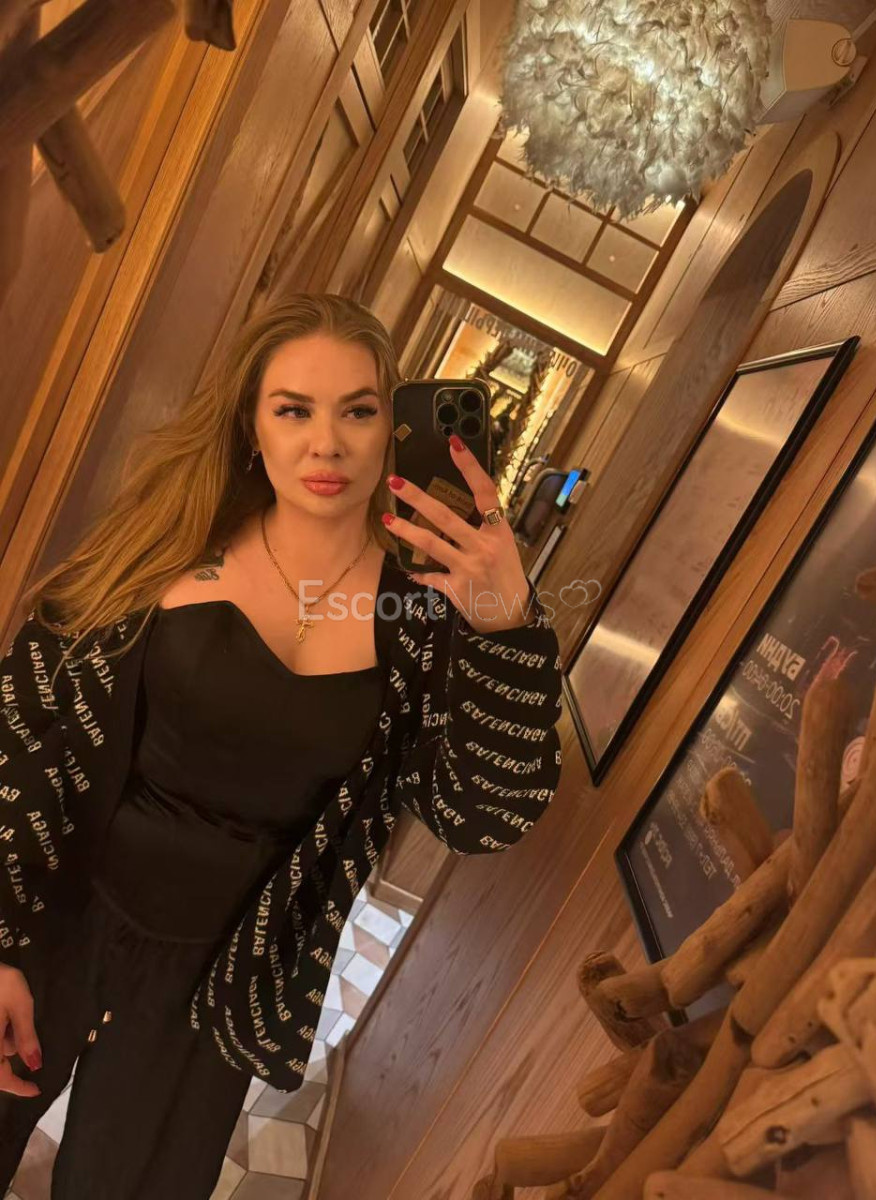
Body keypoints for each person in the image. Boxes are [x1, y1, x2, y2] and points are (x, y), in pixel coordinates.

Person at [0, 293, 563, 1198]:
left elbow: (483, 817)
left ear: (390, 432)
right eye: (294, 410)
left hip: (223, 985)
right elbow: (23, 734)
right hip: (59, 919)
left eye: (358, 412)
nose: (326, 444)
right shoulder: (163, 548)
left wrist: (505, 629)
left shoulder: (421, 618)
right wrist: (1, 937)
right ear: (250, 427)